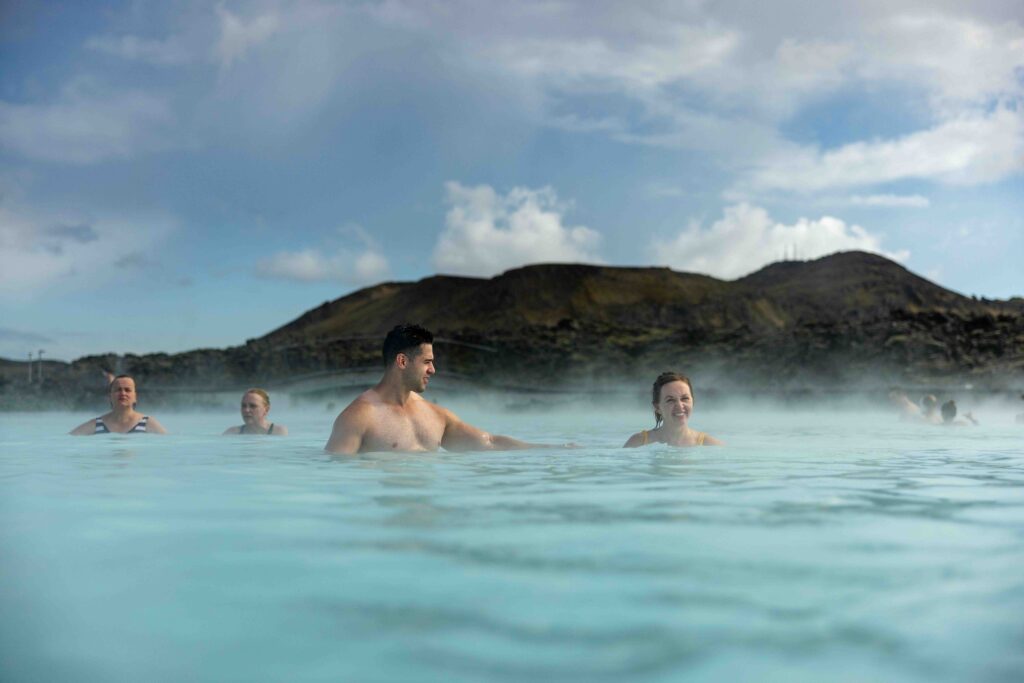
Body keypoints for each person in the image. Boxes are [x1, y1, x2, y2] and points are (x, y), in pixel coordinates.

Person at [324, 324, 568, 454]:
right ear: (402, 361)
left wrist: (553, 450)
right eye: (427, 362)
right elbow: (337, 479)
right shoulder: (358, 417)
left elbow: (489, 443)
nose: (433, 370)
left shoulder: (435, 416)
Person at [624, 371, 722, 448]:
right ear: (657, 407)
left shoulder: (710, 444)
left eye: (685, 398)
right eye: (670, 400)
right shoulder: (638, 442)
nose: (679, 406)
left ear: (693, 401)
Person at [70, 375, 168, 435]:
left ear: (135, 396)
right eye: (118, 389)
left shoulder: (147, 423)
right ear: (110, 396)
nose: (123, 393)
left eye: (127, 390)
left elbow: (168, 445)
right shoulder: (96, 424)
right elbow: (68, 440)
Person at [223, 388, 288, 435]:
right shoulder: (232, 433)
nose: (246, 410)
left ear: (266, 409)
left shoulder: (278, 432)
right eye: (244, 406)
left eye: (253, 406)